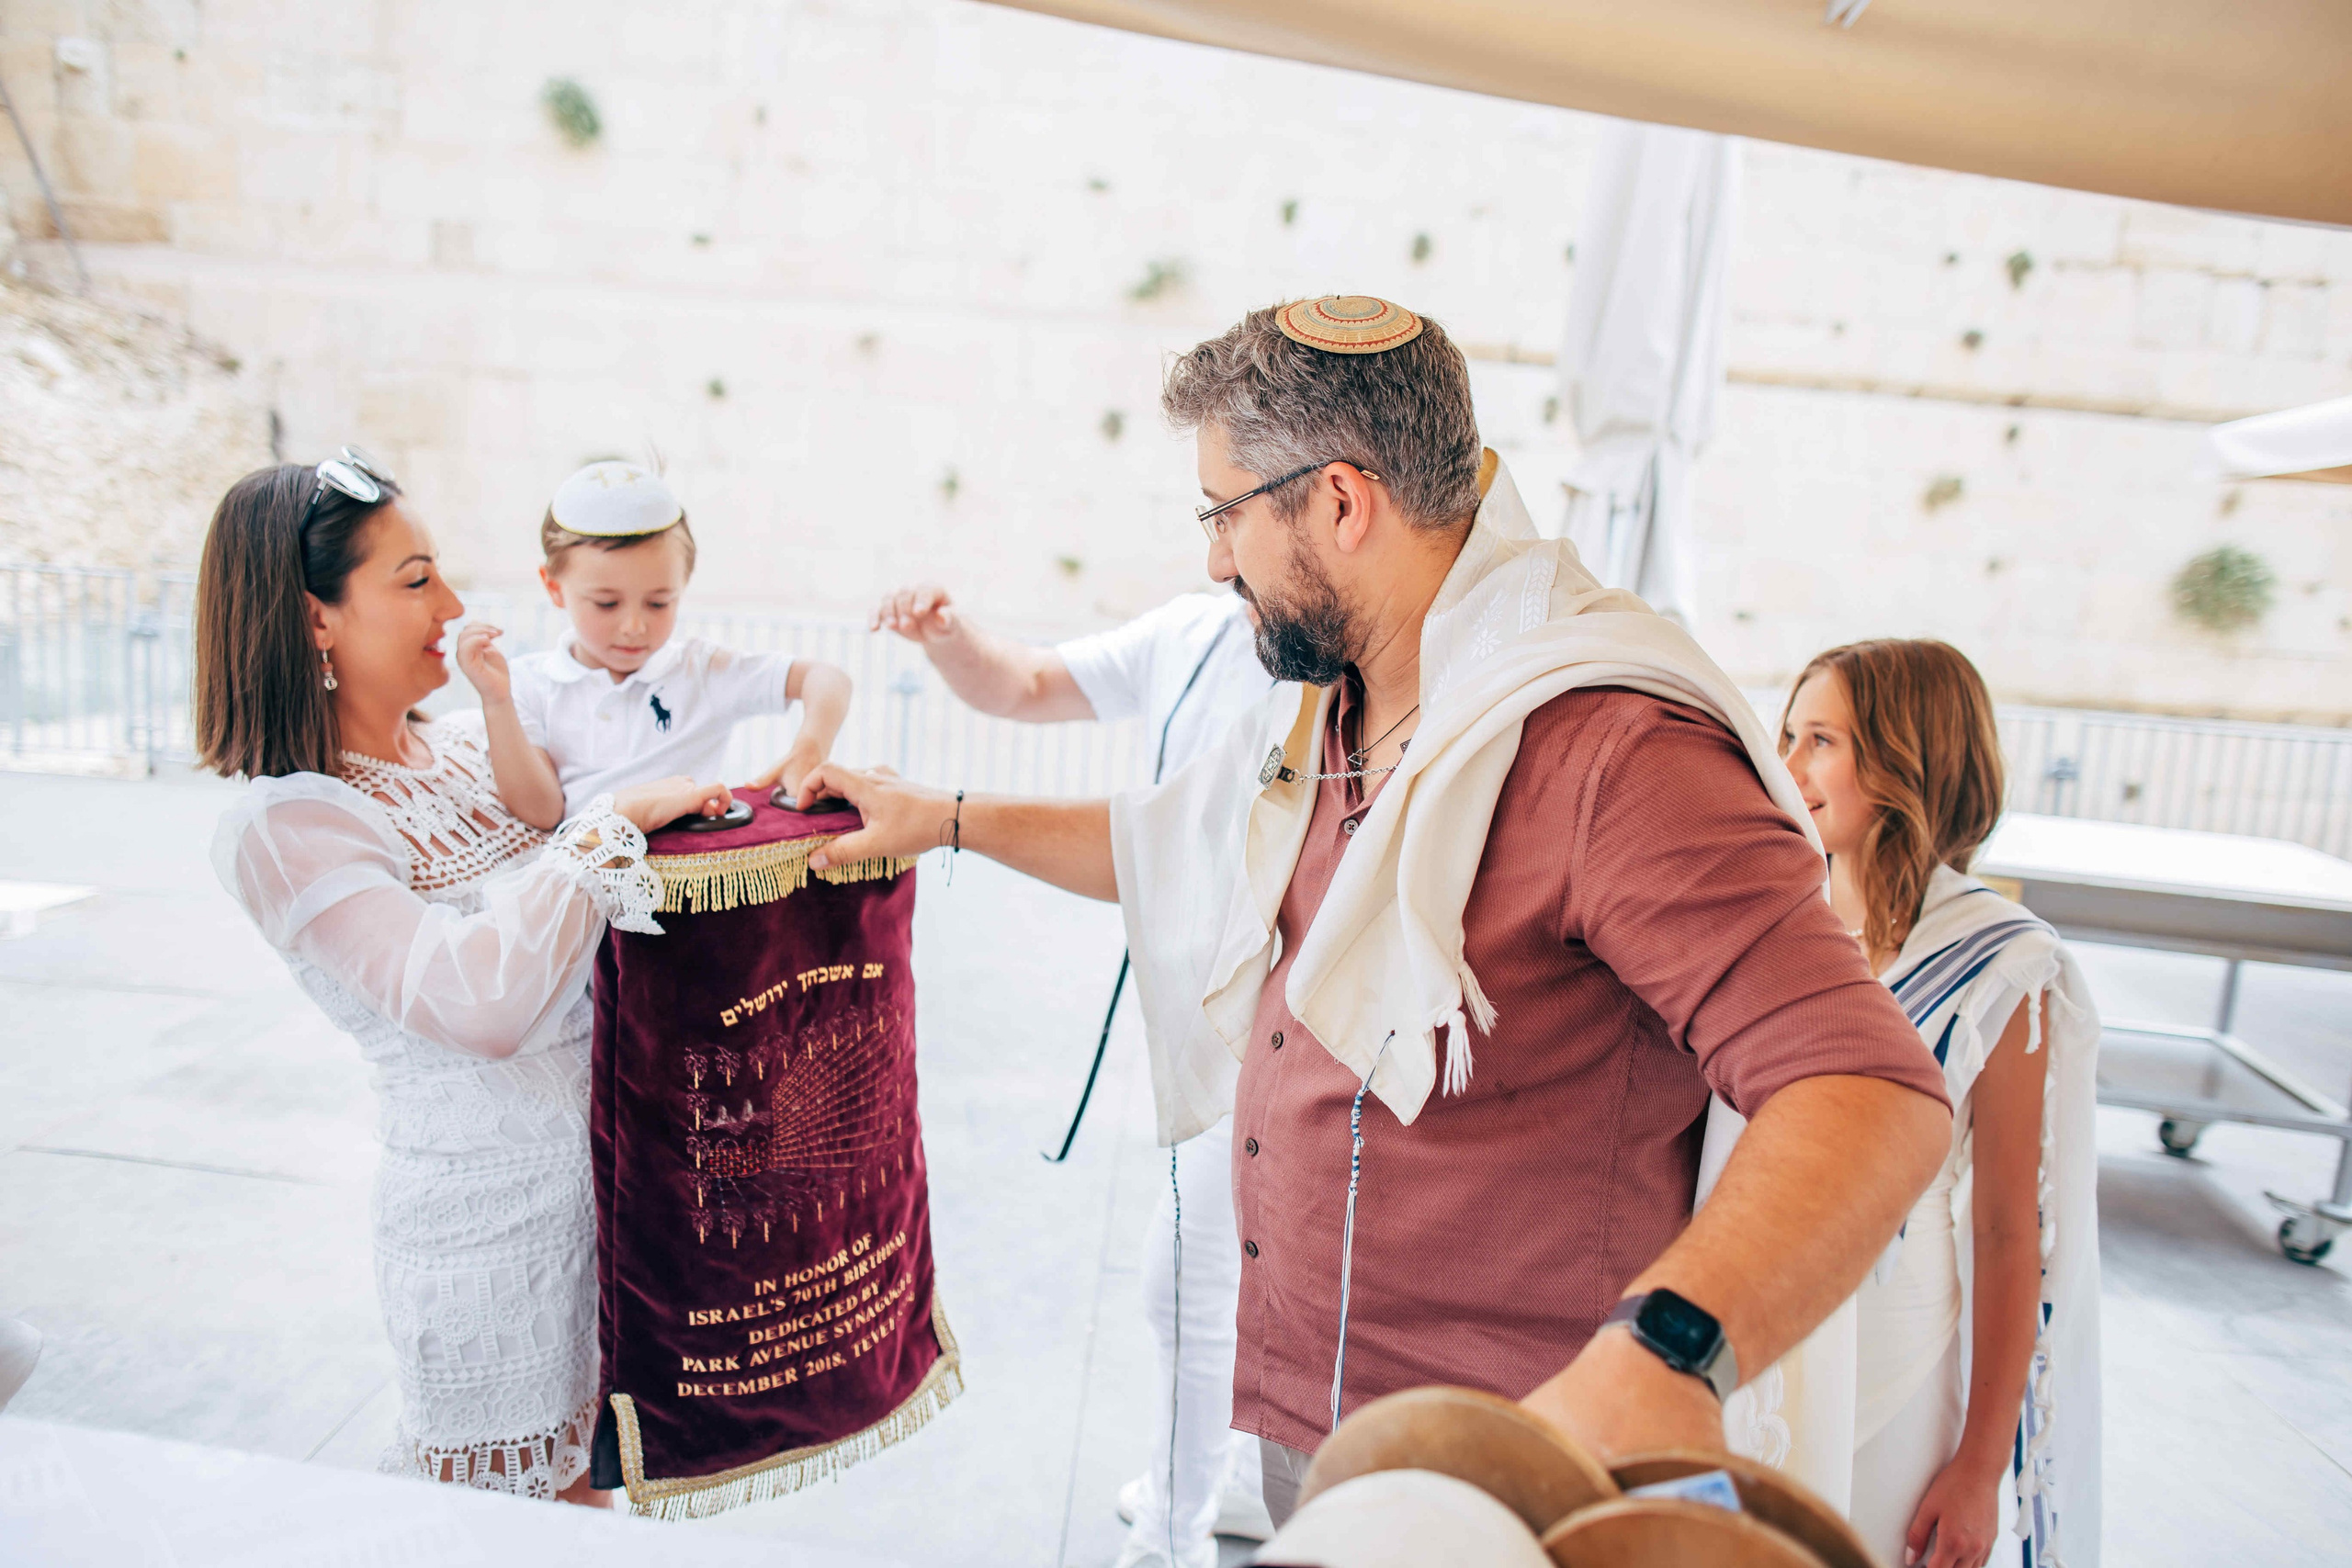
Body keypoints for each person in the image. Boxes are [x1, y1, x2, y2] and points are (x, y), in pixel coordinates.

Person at [789, 296, 1954, 1523]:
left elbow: (1868, 1089)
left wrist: (1663, 1354)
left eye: (1223, 512)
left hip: (1510, 1460)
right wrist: (941, 814)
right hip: (1322, 1414)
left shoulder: (1614, 750)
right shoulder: (1340, 699)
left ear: (1342, 502)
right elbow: (1180, 840)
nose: (1211, 559)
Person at [196, 450, 725, 1504]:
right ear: (314, 620)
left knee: (597, 1499)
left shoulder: (470, 753)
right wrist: (612, 827)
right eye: (414, 579)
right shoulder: (289, 820)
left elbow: (591, 928)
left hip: (609, 1210)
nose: (451, 603)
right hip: (492, 1242)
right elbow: (479, 1002)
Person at [871, 581, 1281, 1566]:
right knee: (1225, 1276)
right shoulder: (1192, 630)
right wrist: (951, 634)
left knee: (1186, 1279)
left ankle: (1172, 1539)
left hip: (1283, 1023)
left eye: (1232, 508)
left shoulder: (1344, 655)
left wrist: (942, 816)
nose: (1218, 544)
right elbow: (1024, 685)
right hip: (1205, 1012)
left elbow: (1153, 847)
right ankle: (1222, 1484)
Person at [1781, 641, 2101, 1568]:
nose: (1790, 766)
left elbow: (2008, 1232)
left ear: (1903, 760)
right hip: (1763, 1327)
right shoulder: (1779, 918)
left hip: (1898, 1347)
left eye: (1821, 740)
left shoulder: (2002, 964)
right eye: (1790, 735)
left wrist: (1978, 1467)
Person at [455, 461, 852, 828]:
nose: (633, 626)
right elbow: (542, 812)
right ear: (553, 588)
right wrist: (497, 702)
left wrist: (810, 747)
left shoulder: (701, 671)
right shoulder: (528, 684)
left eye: (659, 602)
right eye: (607, 603)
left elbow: (827, 678)